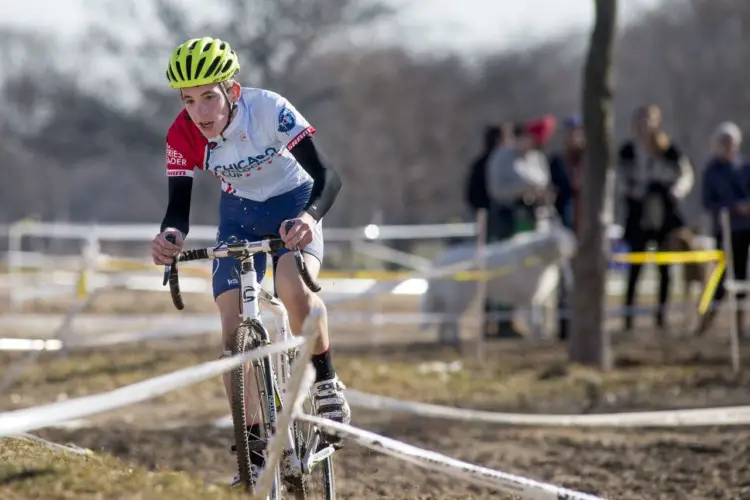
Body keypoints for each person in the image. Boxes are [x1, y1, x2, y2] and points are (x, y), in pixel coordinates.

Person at [149, 37, 351, 488]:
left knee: (291, 286)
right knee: (231, 328)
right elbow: (177, 210)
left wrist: (308, 217)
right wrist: (170, 236)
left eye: (208, 97)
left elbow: (328, 176)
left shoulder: (269, 110)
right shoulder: (181, 135)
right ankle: (255, 447)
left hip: (295, 202)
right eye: (188, 101)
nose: (199, 112)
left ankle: (327, 382)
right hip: (239, 213)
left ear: (232, 92)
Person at [616, 104, 694, 331]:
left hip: (663, 214)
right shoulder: (627, 151)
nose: (645, 125)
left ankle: (661, 316)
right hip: (638, 216)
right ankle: (628, 317)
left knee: (664, 268)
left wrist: (676, 191)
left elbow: (686, 173)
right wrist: (629, 191)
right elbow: (619, 178)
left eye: (648, 120)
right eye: (640, 120)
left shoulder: (668, 149)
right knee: (635, 267)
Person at [697, 121, 750, 337]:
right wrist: (729, 208)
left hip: (745, 229)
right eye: (725, 142)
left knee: (741, 277)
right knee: (721, 277)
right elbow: (708, 202)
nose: (729, 147)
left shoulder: (745, 168)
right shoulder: (712, 171)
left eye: (732, 142)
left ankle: (739, 325)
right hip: (724, 230)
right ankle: (706, 319)